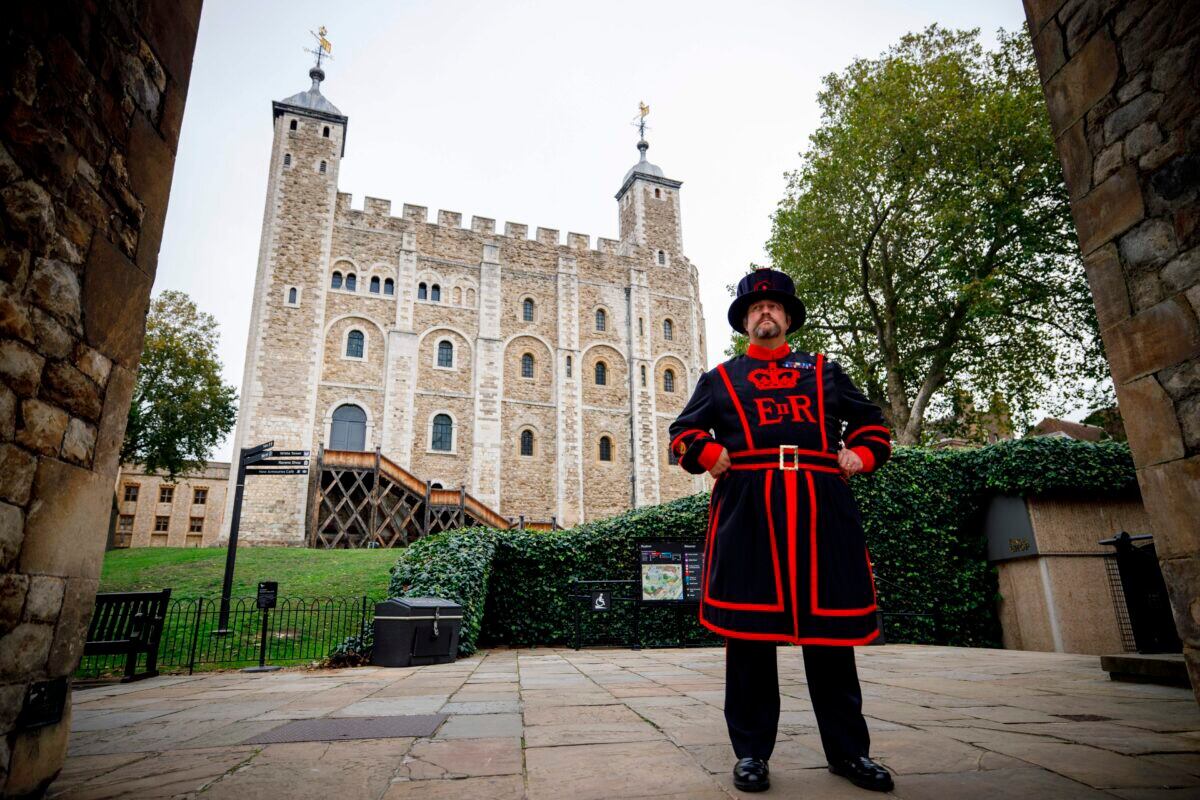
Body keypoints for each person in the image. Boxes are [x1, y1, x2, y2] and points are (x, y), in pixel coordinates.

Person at [668, 268, 895, 793]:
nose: (764, 313)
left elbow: (872, 426)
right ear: (745, 322)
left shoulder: (825, 372)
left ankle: (848, 754)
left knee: (832, 640)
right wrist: (705, 451)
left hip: (821, 508)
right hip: (748, 511)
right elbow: (683, 432)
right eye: (755, 309)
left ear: (788, 318)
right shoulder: (720, 380)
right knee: (748, 642)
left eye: (773, 307)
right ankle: (751, 754)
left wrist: (859, 456)